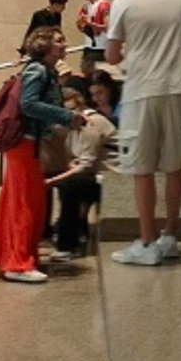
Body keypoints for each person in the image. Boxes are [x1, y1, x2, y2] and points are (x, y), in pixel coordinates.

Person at [107, 0, 181, 267]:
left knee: (141, 168)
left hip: (142, 90)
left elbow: (111, 54)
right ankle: (170, 236)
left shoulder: (124, 3)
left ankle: (147, 242)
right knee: (174, 166)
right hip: (179, 88)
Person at [0, 26, 87, 283]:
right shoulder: (38, 70)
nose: (65, 45)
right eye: (59, 41)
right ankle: (17, 263)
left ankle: (16, 257)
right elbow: (28, 104)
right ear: (44, 45)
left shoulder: (46, 71)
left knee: (25, 201)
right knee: (24, 203)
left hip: (29, 144)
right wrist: (66, 116)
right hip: (24, 144)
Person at [45, 88, 115, 261]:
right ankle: (73, 230)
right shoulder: (71, 129)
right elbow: (71, 159)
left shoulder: (93, 124)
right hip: (93, 175)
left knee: (70, 185)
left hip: (112, 178)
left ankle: (67, 245)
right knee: (68, 182)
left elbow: (85, 163)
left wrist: (52, 180)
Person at [76, 0, 111, 64]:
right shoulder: (85, 7)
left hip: (101, 46)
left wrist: (92, 24)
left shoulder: (103, 5)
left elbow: (108, 27)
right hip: (88, 45)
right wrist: (80, 23)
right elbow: (81, 28)